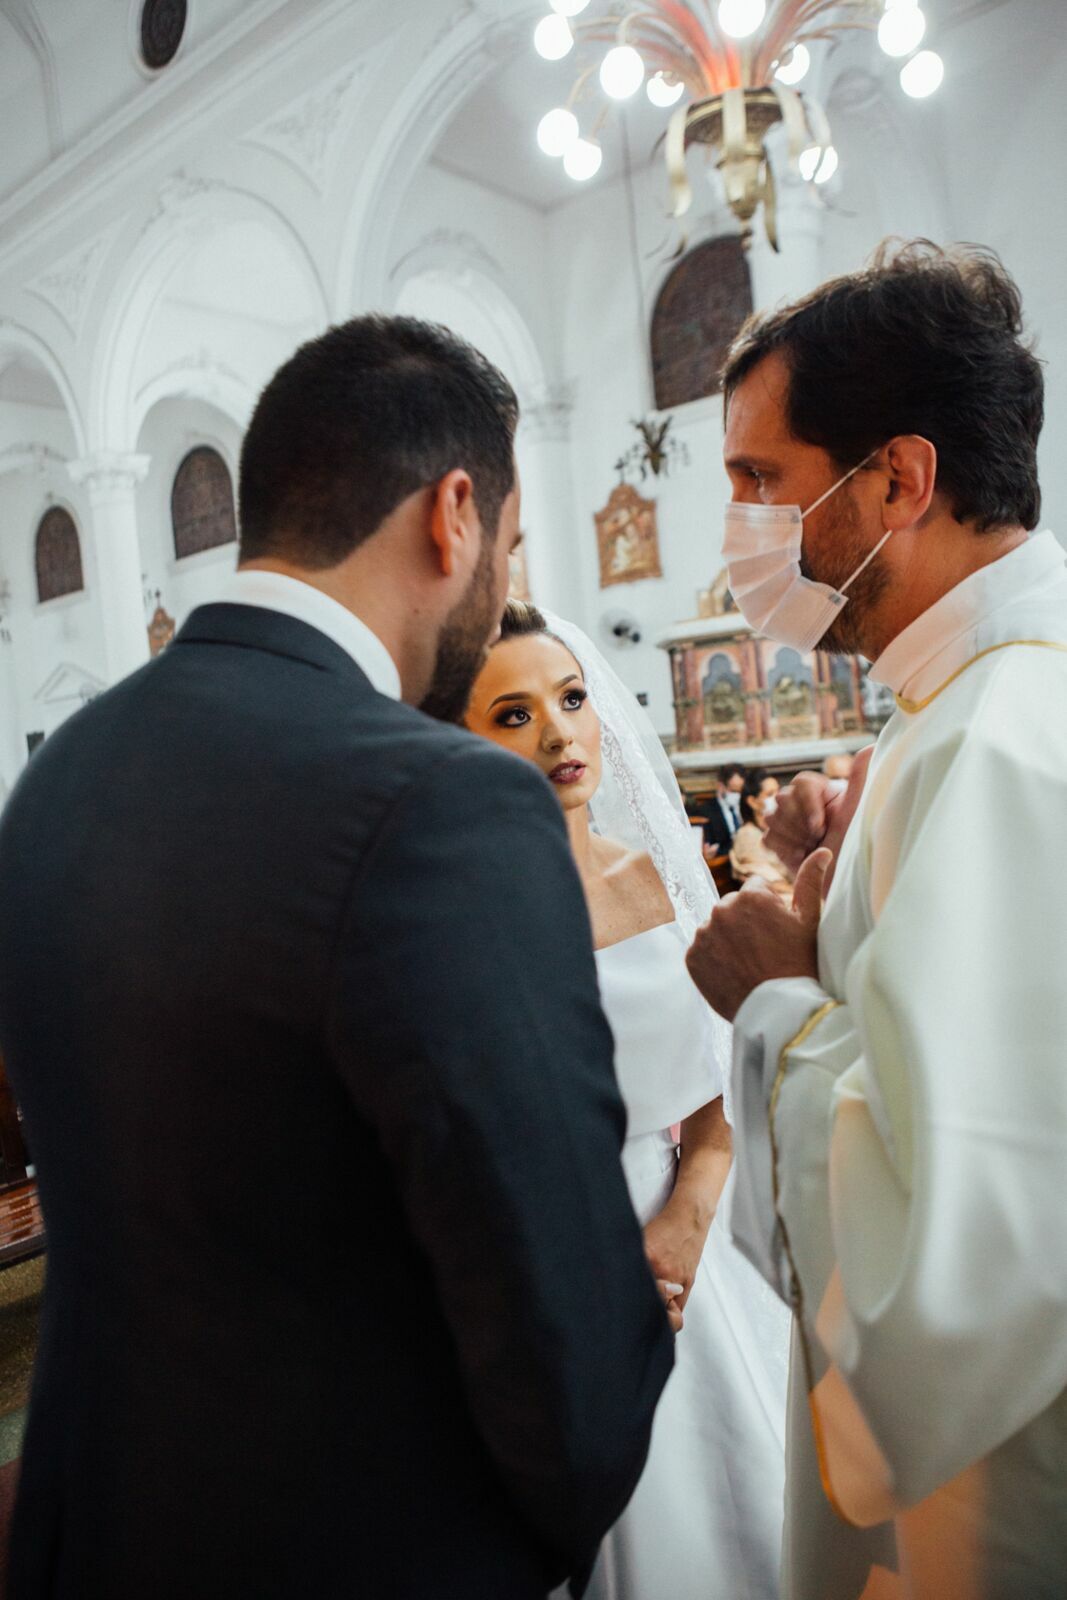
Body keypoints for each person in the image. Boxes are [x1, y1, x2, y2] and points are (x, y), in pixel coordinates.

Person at [0, 317, 675, 1600]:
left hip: (96, 1531)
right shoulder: (443, 807)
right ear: (454, 514)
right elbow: (566, 1351)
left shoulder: (59, 778)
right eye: (512, 547)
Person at [686, 240, 1067, 1599]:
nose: (735, 537)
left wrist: (777, 993)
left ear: (896, 480)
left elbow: (940, 1278)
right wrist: (851, 905)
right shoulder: (979, 715)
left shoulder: (995, 745)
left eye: (757, 483)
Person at [466, 600, 789, 1600]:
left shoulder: (647, 873)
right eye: (512, 714)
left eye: (568, 697)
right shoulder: (464, 914)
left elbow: (714, 1082)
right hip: (558, 1272)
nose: (560, 731)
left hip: (693, 1256)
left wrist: (689, 1214)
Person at [729, 779, 794, 900]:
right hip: (776, 898)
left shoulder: (779, 829)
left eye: (778, 791)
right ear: (753, 802)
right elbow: (769, 881)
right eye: (770, 794)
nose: (777, 797)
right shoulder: (747, 835)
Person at [701, 761, 748, 854]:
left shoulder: (747, 806)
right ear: (720, 786)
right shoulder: (705, 812)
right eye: (734, 790)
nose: (738, 795)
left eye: (740, 791)